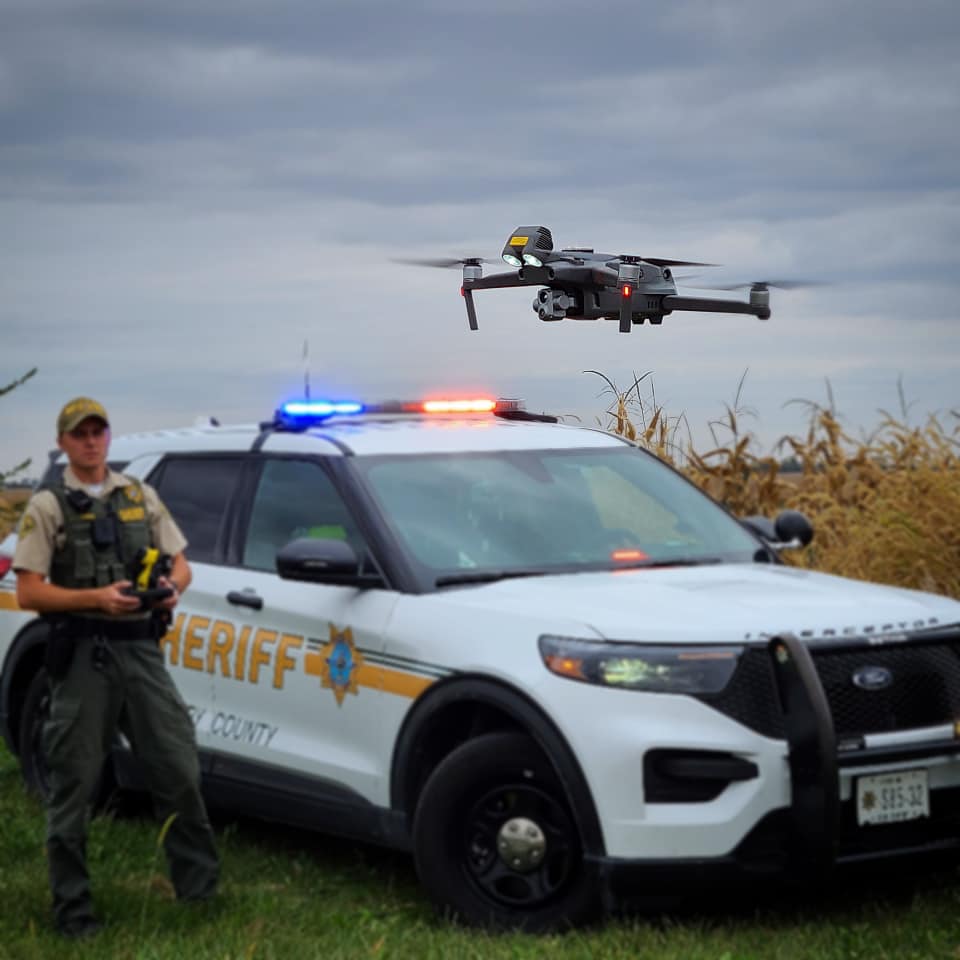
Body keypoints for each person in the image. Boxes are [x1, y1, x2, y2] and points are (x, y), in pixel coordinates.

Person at [13, 397, 219, 939]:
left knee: (177, 765)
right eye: (79, 434)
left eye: (98, 431)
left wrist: (171, 587)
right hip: (84, 656)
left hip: (141, 651)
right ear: (63, 442)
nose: (91, 441)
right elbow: (29, 591)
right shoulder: (48, 506)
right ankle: (73, 912)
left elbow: (181, 561)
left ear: (108, 436)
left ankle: (199, 892)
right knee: (74, 784)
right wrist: (95, 599)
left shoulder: (138, 495)